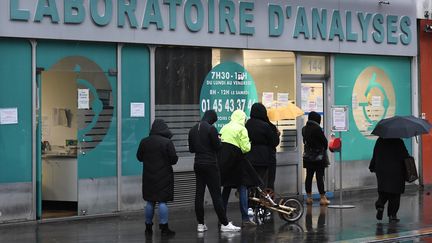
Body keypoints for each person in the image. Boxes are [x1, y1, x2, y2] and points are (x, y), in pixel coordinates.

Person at [188, 110, 241, 232]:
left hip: (198, 163)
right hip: (210, 164)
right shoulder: (211, 129)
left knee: (199, 194)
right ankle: (225, 224)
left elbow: (191, 149)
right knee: (216, 195)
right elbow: (217, 146)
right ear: (212, 119)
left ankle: (200, 224)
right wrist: (218, 140)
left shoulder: (192, 129)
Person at [136, 119, 178, 236]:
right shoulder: (167, 142)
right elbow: (173, 160)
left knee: (150, 201)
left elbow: (139, 157)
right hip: (164, 177)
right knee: (162, 202)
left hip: (149, 176)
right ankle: (164, 228)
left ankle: (148, 227)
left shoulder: (144, 141)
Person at [219, 109, 260, 227]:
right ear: (243, 119)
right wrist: (249, 143)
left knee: (226, 188)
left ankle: (222, 217)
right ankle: (245, 218)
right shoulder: (242, 129)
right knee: (243, 186)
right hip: (237, 162)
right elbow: (246, 148)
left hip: (224, 162)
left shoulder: (224, 128)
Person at [369, 137, 409, 222]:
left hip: (382, 170)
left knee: (384, 191)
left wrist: (372, 166)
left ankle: (380, 205)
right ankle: (392, 215)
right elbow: (405, 156)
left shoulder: (380, 140)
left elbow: (375, 154)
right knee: (395, 194)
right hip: (396, 171)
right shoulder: (399, 141)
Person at [245, 103, 280, 191]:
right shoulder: (266, 125)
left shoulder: (248, 124)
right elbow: (274, 142)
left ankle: (251, 203)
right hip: (264, 158)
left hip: (250, 157)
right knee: (262, 183)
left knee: (252, 183)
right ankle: (261, 203)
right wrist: (277, 135)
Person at [302, 111, 330, 205]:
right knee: (319, 177)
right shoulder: (317, 129)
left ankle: (309, 198)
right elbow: (325, 142)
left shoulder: (304, 129)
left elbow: (304, 141)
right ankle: (323, 198)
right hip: (318, 158)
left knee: (309, 176)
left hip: (308, 157)